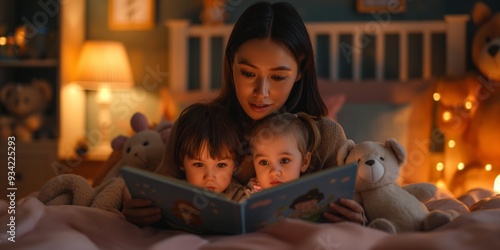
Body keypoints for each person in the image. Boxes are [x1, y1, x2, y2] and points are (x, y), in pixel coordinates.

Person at [123, 1, 365, 227]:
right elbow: (160, 194)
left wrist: (358, 216)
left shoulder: (327, 137)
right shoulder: (196, 127)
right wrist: (138, 211)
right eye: (248, 74)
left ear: (300, 71)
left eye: (278, 77)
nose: (261, 92)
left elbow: (354, 207)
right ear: (231, 64)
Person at [245, 112, 320, 194]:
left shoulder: (312, 194)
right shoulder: (250, 196)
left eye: (284, 160)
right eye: (264, 162)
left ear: (304, 162)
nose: (274, 172)